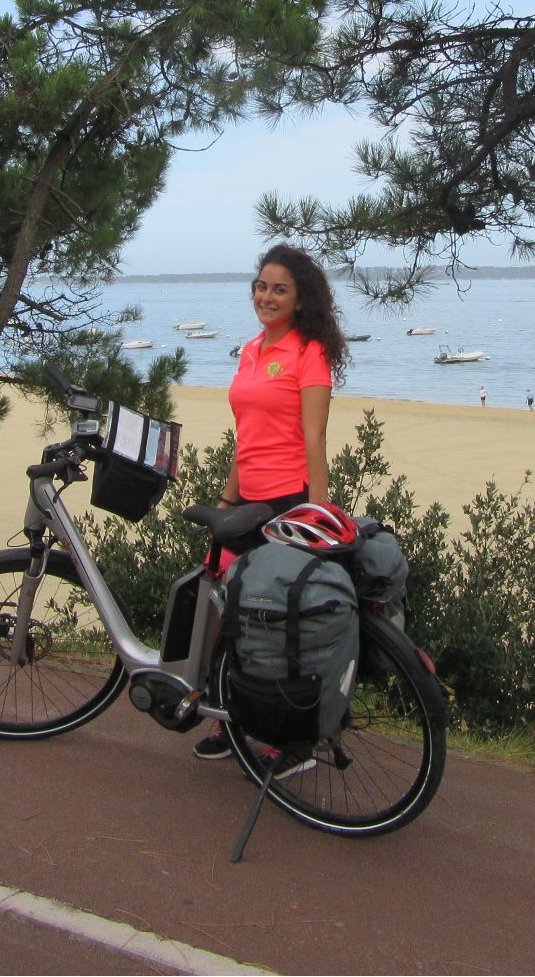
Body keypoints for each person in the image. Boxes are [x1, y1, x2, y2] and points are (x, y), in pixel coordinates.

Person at [195, 243, 350, 764]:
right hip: (247, 502)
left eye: (279, 289)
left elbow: (315, 438)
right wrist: (225, 499)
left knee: (281, 616)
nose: (266, 296)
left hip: (289, 503)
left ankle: (294, 740)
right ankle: (228, 716)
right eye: (261, 286)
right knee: (227, 607)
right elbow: (247, 436)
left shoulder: (310, 352)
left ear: (300, 299)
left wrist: (317, 515)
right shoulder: (250, 350)